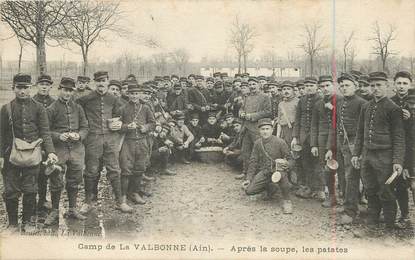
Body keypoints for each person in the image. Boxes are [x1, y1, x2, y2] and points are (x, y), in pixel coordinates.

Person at [0, 73, 58, 233]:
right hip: (10, 156)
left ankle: (28, 222)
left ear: (31, 88)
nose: (22, 91)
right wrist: (0, 157)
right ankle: (12, 224)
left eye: (25, 87)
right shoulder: (6, 109)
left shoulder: (39, 108)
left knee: (30, 190)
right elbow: (1, 134)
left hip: (33, 156)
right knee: (11, 191)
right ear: (13, 88)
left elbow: (45, 132)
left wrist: (51, 152)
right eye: (19, 87)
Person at [352, 71, 405, 231]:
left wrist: (397, 161)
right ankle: (372, 223)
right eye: (372, 85)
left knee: (386, 191)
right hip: (368, 155)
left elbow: (399, 137)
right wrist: (356, 153)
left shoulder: (393, 109)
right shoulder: (366, 106)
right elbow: (360, 132)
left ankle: (389, 227)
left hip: (385, 157)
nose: (375, 88)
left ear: (387, 86)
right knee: (370, 189)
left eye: (379, 85)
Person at [77, 71, 131, 214]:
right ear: (95, 82)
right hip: (93, 139)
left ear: (108, 81)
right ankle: (88, 202)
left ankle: (120, 202)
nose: (101, 83)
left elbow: (122, 114)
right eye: (98, 81)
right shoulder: (86, 99)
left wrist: (118, 123)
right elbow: (78, 114)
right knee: (91, 171)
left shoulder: (114, 99)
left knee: (114, 169)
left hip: (110, 139)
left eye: (103, 80)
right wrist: (84, 128)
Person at [44, 77, 89, 225]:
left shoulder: (78, 108)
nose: (67, 93)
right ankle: (55, 211)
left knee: (75, 180)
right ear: (59, 90)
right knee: (56, 180)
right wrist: (58, 136)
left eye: (70, 90)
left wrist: (79, 135)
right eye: (65, 90)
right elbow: (45, 132)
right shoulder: (51, 109)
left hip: (76, 150)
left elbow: (85, 128)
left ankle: (72, 209)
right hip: (59, 150)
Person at [243, 118, 293, 214]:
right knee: (249, 191)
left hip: (279, 171)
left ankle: (287, 201)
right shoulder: (258, 143)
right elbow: (253, 161)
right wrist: (248, 179)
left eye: (267, 129)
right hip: (265, 172)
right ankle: (271, 188)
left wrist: (286, 164)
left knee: (283, 179)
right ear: (259, 131)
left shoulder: (280, 142)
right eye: (262, 129)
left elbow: (291, 159)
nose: (265, 131)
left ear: (271, 130)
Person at [119, 84, 156, 206]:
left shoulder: (145, 108)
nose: (134, 96)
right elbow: (117, 126)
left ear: (139, 94)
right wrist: (126, 127)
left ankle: (134, 193)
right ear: (128, 94)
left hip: (142, 142)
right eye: (132, 94)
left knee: (139, 169)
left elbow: (152, 123)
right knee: (125, 170)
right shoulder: (123, 108)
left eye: (136, 94)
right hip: (127, 143)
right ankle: (123, 196)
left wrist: (145, 127)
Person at [310, 75, 339, 203]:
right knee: (326, 168)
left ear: (334, 85)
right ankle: (331, 196)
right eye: (322, 86)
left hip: (338, 139)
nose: (325, 89)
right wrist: (314, 144)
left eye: (327, 85)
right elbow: (314, 125)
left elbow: (343, 123)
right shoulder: (318, 104)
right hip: (322, 139)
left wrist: (333, 110)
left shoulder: (341, 101)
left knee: (343, 170)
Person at [292, 76, 322, 199]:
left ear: (317, 87)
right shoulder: (302, 100)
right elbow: (297, 119)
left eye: (311, 86)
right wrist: (295, 136)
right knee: (306, 162)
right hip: (303, 136)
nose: (309, 88)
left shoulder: (321, 99)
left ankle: (320, 189)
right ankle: (309, 187)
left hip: (318, 136)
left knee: (318, 163)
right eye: (307, 86)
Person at [391, 71, 413, 224]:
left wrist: (411, 119)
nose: (401, 86)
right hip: (397, 148)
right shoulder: (390, 102)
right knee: (399, 185)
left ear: (410, 85)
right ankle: (404, 215)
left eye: (405, 83)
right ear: (394, 85)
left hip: (413, 147)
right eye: (399, 83)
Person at [238, 77, 271, 180]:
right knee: (245, 151)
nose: (252, 86)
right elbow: (242, 109)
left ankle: (262, 174)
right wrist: (241, 113)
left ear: (259, 85)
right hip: (246, 128)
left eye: (254, 84)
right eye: (250, 85)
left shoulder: (265, 97)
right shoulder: (246, 97)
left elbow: (268, 112)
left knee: (260, 151)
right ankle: (246, 172)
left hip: (258, 128)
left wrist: (253, 116)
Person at [33, 74, 55, 215]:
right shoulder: (32, 101)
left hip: (50, 141)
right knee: (33, 172)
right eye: (41, 84)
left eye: (47, 84)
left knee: (46, 172)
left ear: (51, 86)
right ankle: (32, 199)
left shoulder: (54, 102)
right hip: (35, 142)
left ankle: (43, 199)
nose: (44, 87)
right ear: (37, 85)